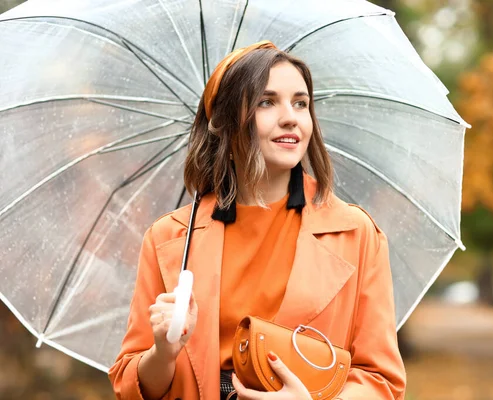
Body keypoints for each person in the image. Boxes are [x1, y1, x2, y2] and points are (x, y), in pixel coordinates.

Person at [108, 40, 406, 400]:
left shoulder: (356, 234)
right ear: (227, 123)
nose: (290, 117)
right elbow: (132, 385)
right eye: (267, 102)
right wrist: (164, 351)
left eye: (301, 103)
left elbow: (381, 380)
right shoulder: (168, 238)